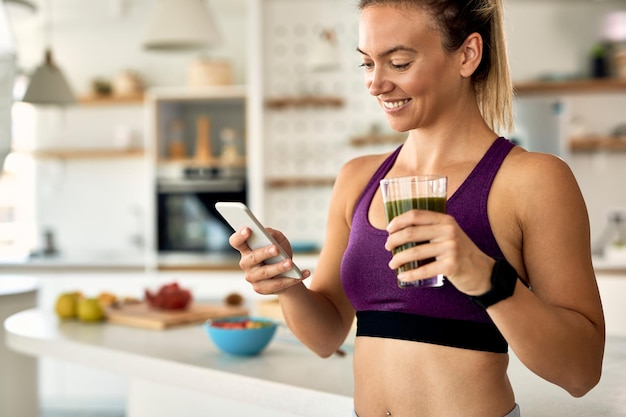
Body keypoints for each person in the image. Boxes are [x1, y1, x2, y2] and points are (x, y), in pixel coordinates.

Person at [229, 0, 606, 416]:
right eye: (367, 64)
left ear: (467, 54)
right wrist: (285, 281)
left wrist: (484, 276)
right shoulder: (357, 179)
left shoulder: (532, 181)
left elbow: (581, 372)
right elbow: (326, 336)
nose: (375, 84)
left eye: (399, 62)